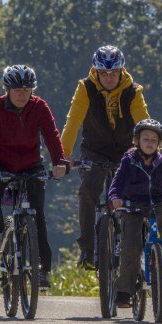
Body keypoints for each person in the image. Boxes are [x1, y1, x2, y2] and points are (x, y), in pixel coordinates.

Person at [0, 65, 69, 289]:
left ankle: (43, 270)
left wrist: (59, 161)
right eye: (17, 90)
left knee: (38, 218)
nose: (22, 95)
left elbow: (51, 135)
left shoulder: (39, 107)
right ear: (7, 89)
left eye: (27, 90)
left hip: (31, 165)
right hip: (1, 163)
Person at [60, 45, 150, 269]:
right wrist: (64, 154)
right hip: (95, 149)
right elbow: (73, 121)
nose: (109, 78)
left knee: (136, 193)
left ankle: (141, 244)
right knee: (88, 188)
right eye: (103, 73)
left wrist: (149, 154)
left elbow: (144, 124)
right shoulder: (85, 88)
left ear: (121, 71)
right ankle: (88, 249)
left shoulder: (133, 91)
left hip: (127, 149)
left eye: (113, 73)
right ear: (96, 72)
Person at [107, 119, 162, 307]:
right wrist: (115, 196)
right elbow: (118, 181)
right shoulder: (129, 160)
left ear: (159, 143)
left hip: (156, 204)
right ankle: (124, 292)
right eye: (145, 139)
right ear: (137, 140)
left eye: (154, 140)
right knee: (130, 248)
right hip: (132, 207)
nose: (149, 143)